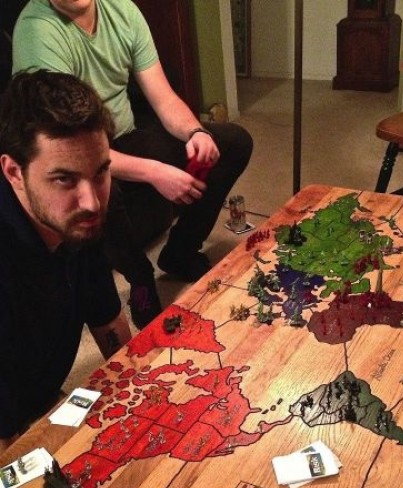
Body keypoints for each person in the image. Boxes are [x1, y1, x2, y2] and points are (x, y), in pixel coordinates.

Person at [12, 0, 253, 329]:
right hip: (76, 153)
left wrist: (195, 132)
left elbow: (163, 97)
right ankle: (141, 280)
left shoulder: (121, 9)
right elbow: (66, 149)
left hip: (126, 135)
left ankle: (181, 252)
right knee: (98, 190)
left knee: (233, 142)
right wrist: (155, 172)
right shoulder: (37, 31)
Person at [0, 69, 132, 453]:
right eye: (64, 179)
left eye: (101, 171)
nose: (91, 201)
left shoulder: (76, 217)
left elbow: (108, 321)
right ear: (14, 173)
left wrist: (142, 391)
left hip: (35, 396)